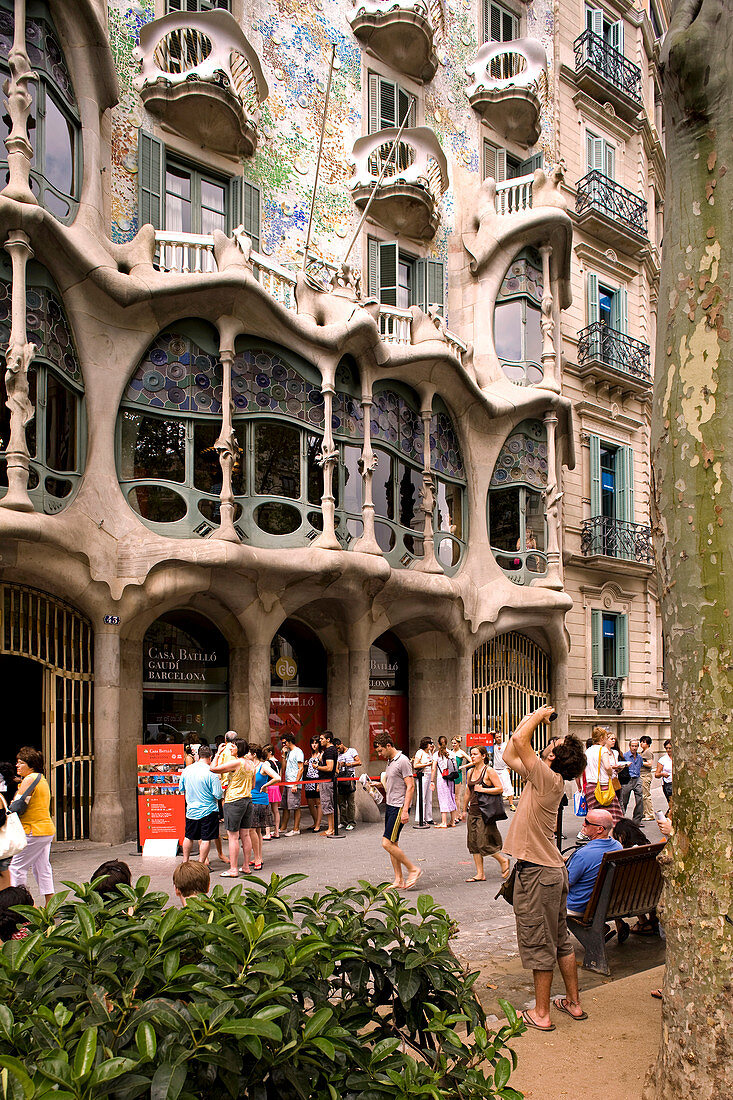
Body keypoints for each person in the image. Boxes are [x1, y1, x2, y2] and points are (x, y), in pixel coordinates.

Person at [502, 706, 588, 1031]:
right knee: (561, 939)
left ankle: (541, 1013)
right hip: (551, 871)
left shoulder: (547, 779)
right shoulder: (546, 779)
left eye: (553, 743)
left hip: (538, 875)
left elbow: (517, 740)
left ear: (552, 757)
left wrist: (537, 716)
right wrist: (531, 719)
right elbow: (512, 751)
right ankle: (573, 1003)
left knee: (540, 944)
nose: (548, 743)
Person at [373, 732, 421, 890]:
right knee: (393, 843)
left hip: (399, 806)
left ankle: (413, 869)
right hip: (391, 804)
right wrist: (377, 786)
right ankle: (399, 879)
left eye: (380, 750)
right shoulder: (390, 761)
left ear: (388, 746)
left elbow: (410, 786)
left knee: (386, 843)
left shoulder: (403, 761)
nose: (379, 754)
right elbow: (394, 781)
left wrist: (406, 810)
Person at [9, 747, 56, 904]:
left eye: (21, 762)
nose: (17, 765)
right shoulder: (41, 779)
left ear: (31, 765)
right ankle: (51, 905)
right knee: (42, 868)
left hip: (33, 830)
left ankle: (23, 906)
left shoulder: (29, 779)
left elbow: (15, 805)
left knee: (16, 868)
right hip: (45, 830)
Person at [460, 745, 510, 881]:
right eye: (471, 754)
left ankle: (503, 860)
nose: (472, 756)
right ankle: (480, 874)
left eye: (475, 754)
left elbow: (500, 789)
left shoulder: (489, 771)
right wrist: (464, 810)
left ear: (483, 756)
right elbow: (467, 792)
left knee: (483, 842)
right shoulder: (470, 772)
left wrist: (483, 790)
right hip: (473, 811)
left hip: (485, 812)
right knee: (473, 843)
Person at [566, 809, 622, 918]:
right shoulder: (617, 846)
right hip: (605, 903)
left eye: (587, 822)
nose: (583, 824)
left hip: (578, 905)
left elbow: (565, 883)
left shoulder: (583, 855)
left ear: (600, 829)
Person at [211, 737, 254, 878]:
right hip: (248, 800)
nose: (231, 748)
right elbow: (253, 785)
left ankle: (233, 869)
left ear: (239, 748)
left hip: (234, 801)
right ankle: (246, 866)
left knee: (233, 837)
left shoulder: (236, 763)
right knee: (245, 835)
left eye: (233, 746)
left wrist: (217, 753)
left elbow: (213, 768)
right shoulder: (250, 763)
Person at [178, 744, 223, 866]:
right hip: (209, 810)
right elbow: (218, 795)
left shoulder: (187, 770)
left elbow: (181, 788)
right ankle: (201, 864)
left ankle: (185, 861)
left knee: (188, 836)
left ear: (198, 756)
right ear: (210, 756)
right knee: (206, 839)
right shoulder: (211, 772)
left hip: (191, 810)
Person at [579, 726, 624, 827]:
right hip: (604, 786)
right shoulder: (603, 750)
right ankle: (611, 838)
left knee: (594, 818)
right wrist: (611, 773)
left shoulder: (588, 751)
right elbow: (607, 767)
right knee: (613, 817)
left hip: (590, 787)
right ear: (602, 738)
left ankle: (595, 838)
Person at [249, 745, 280, 870]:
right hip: (253, 800)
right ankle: (258, 857)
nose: (246, 755)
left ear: (254, 754)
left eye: (248, 753)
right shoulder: (251, 766)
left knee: (252, 830)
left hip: (259, 800)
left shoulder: (263, 765)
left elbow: (277, 777)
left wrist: (265, 785)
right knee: (256, 831)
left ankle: (257, 858)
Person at [280, 734, 304, 836]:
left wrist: (296, 783)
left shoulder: (298, 751)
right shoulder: (289, 753)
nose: (283, 744)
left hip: (294, 783)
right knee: (285, 806)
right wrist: (283, 755)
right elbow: (284, 767)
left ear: (289, 742)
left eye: (284, 742)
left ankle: (296, 829)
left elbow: (301, 768)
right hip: (287, 782)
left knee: (295, 806)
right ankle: (283, 827)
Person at [316, 731, 339, 838]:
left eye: (321, 739)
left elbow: (329, 767)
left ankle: (331, 829)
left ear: (328, 739)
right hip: (328, 780)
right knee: (329, 804)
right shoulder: (332, 750)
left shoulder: (329, 751)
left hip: (326, 781)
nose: (320, 741)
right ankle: (332, 828)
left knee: (327, 804)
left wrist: (317, 767)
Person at [431, 736, 458, 828]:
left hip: (441, 779)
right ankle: (452, 821)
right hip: (451, 779)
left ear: (438, 744)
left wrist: (431, 780)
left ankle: (444, 822)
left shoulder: (436, 755)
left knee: (443, 799)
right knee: (451, 798)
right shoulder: (451, 753)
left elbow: (433, 768)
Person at [335, 737, 361, 831]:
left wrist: (347, 764)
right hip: (341, 778)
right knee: (341, 802)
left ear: (341, 744)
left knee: (350, 802)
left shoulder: (351, 751)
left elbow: (359, 762)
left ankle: (351, 822)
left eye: (338, 748)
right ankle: (343, 821)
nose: (338, 750)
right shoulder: (338, 755)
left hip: (350, 778)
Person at [619, 739, 644, 825]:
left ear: (638, 747)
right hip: (627, 780)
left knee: (640, 799)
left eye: (636, 746)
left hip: (637, 779)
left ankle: (636, 821)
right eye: (632, 746)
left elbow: (640, 766)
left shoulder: (639, 757)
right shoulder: (625, 756)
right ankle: (621, 820)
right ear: (629, 746)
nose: (634, 748)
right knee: (624, 800)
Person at [412, 737, 435, 825]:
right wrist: (427, 764)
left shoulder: (429, 752)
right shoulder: (420, 752)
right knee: (422, 797)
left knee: (429, 797)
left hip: (429, 776)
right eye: (430, 743)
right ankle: (420, 818)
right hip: (423, 776)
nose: (432, 745)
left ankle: (429, 817)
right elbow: (415, 765)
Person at [303, 736, 323, 832]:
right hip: (308, 780)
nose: (314, 745)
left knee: (318, 803)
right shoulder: (311, 754)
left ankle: (318, 824)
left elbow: (322, 769)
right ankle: (315, 822)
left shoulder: (321, 754)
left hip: (317, 780)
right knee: (310, 803)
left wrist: (319, 783)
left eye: (316, 743)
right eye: (312, 743)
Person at [491, 733, 516, 811]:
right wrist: (490, 734)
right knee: (496, 787)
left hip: (504, 769)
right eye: (497, 737)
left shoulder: (506, 745)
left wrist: (509, 768)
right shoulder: (492, 746)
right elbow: (486, 741)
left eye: (500, 737)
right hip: (495, 769)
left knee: (508, 786)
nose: (499, 738)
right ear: (494, 738)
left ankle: (511, 804)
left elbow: (511, 755)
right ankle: (497, 804)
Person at [263, 746, 282, 841]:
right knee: (276, 810)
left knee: (267, 810)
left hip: (268, 787)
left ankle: (267, 833)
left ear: (270, 752)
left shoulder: (267, 763)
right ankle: (276, 831)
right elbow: (280, 776)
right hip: (276, 787)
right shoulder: (279, 762)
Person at [450, 737, 470, 808]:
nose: (453, 745)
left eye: (455, 743)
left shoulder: (461, 752)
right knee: (452, 796)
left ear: (459, 743)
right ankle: (454, 815)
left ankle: (458, 815)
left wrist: (463, 766)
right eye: (452, 743)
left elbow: (472, 761)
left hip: (458, 775)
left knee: (457, 797)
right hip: (451, 775)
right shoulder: (450, 752)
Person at [639, 735, 655, 820]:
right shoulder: (643, 752)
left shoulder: (648, 752)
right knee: (643, 795)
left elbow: (649, 764)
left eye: (644, 742)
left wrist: (640, 761)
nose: (641, 743)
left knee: (646, 795)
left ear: (648, 743)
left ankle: (650, 814)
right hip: (642, 775)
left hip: (645, 775)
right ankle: (645, 813)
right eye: (641, 741)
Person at [656, 740, 673, 806]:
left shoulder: (678, 758)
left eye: (670, 748)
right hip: (668, 784)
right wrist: (662, 774)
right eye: (666, 748)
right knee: (672, 804)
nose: (668, 750)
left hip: (678, 784)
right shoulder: (663, 760)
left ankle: (667, 816)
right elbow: (656, 774)